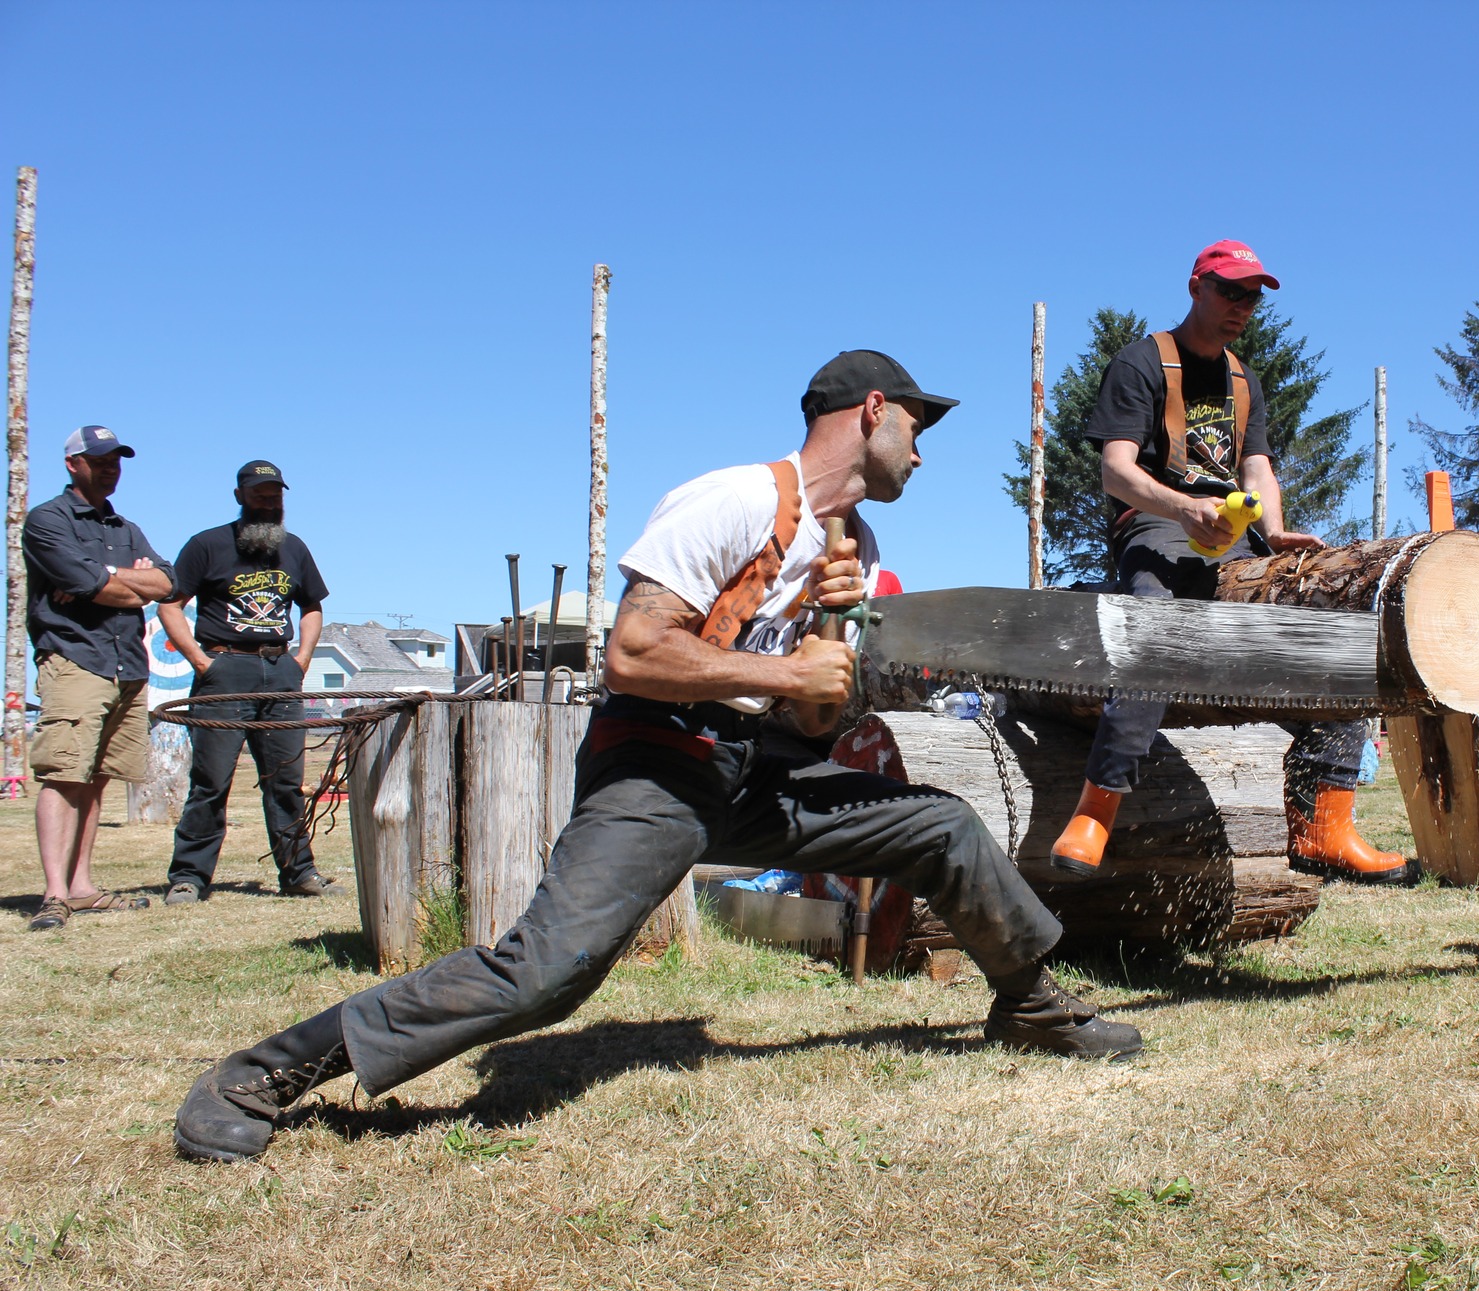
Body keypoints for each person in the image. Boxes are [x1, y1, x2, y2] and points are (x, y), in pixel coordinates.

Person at [173, 350, 1142, 1163]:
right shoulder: (731, 501)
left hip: (753, 764)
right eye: (916, 429)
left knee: (940, 825)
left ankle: (1031, 1004)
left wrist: (829, 639)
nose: (921, 452)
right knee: (546, 972)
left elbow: (811, 721)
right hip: (655, 761)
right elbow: (632, 654)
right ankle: (260, 1076)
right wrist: (789, 673)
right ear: (871, 410)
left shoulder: (853, 542)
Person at [1050, 240, 1410, 884]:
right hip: (1156, 527)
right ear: (1196, 286)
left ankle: (1323, 829)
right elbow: (1115, 472)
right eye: (1230, 291)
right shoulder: (1141, 362)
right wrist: (1183, 507)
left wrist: (1274, 532)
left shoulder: (1243, 380)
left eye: (1252, 297)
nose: (1242, 305)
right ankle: (1095, 811)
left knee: (1326, 638)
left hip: (1235, 537)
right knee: (1155, 633)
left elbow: (1256, 469)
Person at [160, 460, 340, 903]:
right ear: (239, 496)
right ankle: (189, 877)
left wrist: (301, 659)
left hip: (281, 672)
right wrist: (201, 662)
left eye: (276, 495)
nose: (270, 502)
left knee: (286, 780)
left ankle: (299, 872)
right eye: (260, 495)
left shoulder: (294, 549)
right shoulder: (206, 545)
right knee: (211, 781)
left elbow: (312, 606)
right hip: (225, 671)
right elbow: (170, 604)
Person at [21, 426, 174, 931]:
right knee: (65, 774)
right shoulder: (48, 520)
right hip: (74, 659)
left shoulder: (125, 528)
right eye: (100, 460)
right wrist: (124, 581)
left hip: (126, 663)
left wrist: (109, 578)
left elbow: (167, 583)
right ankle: (54, 895)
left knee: (98, 777)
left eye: (116, 461)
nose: (111, 469)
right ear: (73, 464)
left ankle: (82, 887)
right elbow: (83, 580)